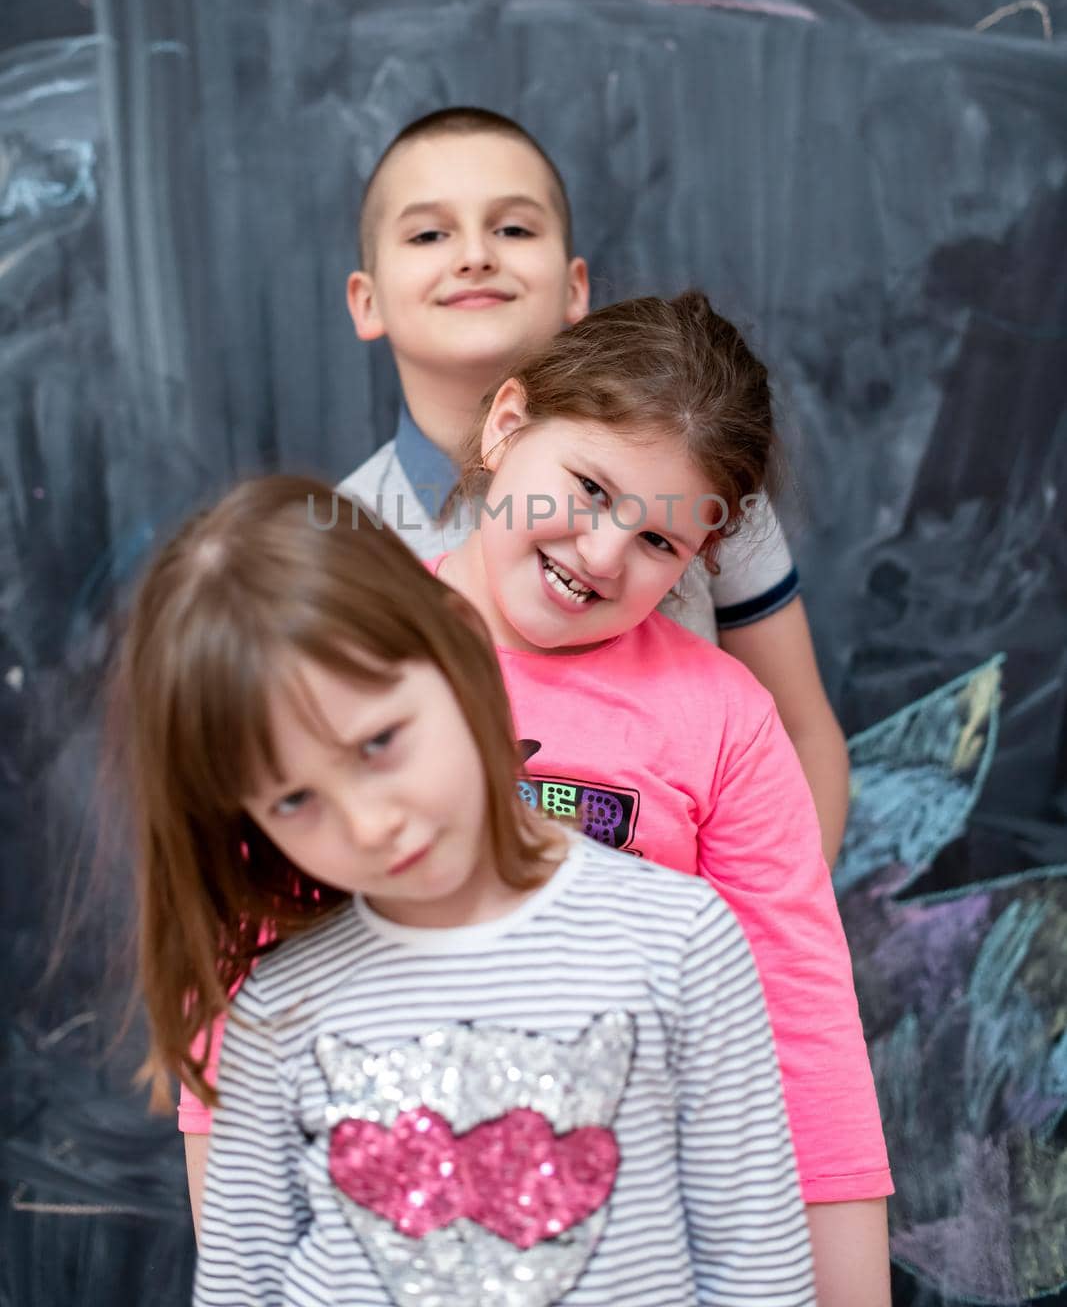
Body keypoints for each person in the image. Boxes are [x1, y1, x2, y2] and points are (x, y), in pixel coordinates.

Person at [114, 476, 816, 1307]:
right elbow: (243, 1289)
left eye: (378, 743)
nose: (369, 823)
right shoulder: (279, 1015)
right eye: (294, 800)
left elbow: (756, 1270)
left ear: (456, 648)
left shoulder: (679, 942)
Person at [431, 292, 892, 1307]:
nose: (600, 554)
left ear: (700, 563)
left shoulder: (723, 721)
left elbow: (802, 1032)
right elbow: (240, 996)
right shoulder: (343, 658)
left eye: (658, 544)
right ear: (508, 424)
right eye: (588, 488)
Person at [340, 107, 850, 862]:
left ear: (576, 287)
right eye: (427, 234)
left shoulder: (696, 487)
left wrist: (754, 946)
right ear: (367, 299)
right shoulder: (341, 542)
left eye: (514, 229)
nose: (475, 255)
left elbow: (802, 733)